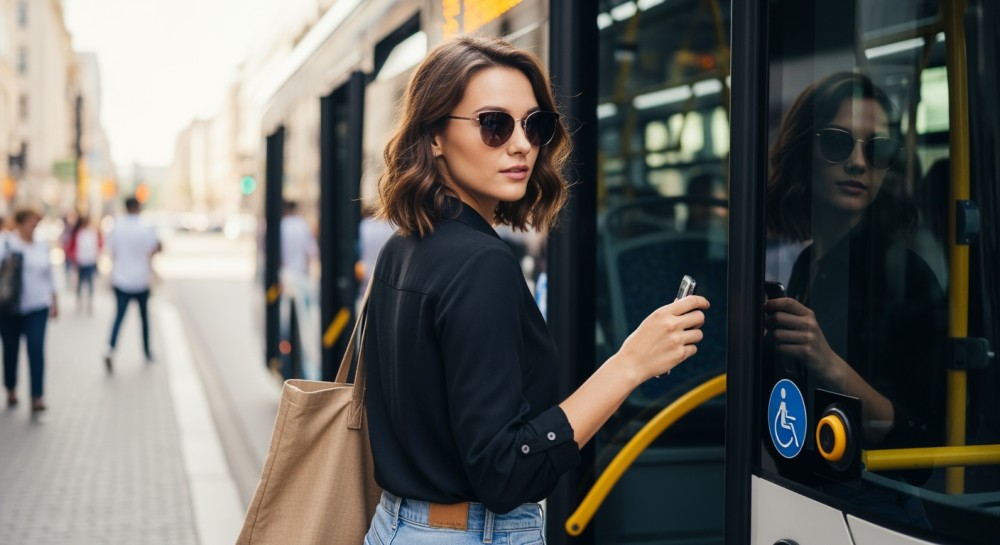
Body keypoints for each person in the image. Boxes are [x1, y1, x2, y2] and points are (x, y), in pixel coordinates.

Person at [363, 35, 709, 545]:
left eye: (535, 124)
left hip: (398, 526)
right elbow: (505, 471)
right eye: (494, 124)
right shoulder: (482, 263)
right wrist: (631, 363)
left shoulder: (406, 246)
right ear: (434, 135)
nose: (521, 144)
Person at [764, 72, 947, 524]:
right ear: (804, 151)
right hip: (811, 495)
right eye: (837, 143)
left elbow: (918, 441)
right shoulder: (810, 264)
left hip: (877, 509)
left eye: (878, 149)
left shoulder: (903, 274)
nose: (858, 163)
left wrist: (827, 363)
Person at [0, 205, 58, 413]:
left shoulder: (41, 246)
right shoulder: (6, 244)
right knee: (10, 350)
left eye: (37, 221)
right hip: (10, 309)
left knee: (36, 349)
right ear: (21, 222)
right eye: (31, 221)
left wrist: (54, 299)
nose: (34, 225)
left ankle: (36, 396)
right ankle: (11, 388)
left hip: (37, 306)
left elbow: (49, 275)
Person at [104, 196, 161, 373]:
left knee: (119, 318)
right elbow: (153, 250)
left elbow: (110, 251)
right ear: (138, 207)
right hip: (141, 280)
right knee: (144, 319)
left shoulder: (117, 226)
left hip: (121, 279)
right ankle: (146, 352)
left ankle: (110, 349)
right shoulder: (145, 228)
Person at [70, 215, 102, 314]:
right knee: (80, 282)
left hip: (90, 260)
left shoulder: (92, 232)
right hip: (81, 261)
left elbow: (98, 244)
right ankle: (79, 301)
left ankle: (89, 301)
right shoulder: (78, 233)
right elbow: (72, 246)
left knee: (90, 282)